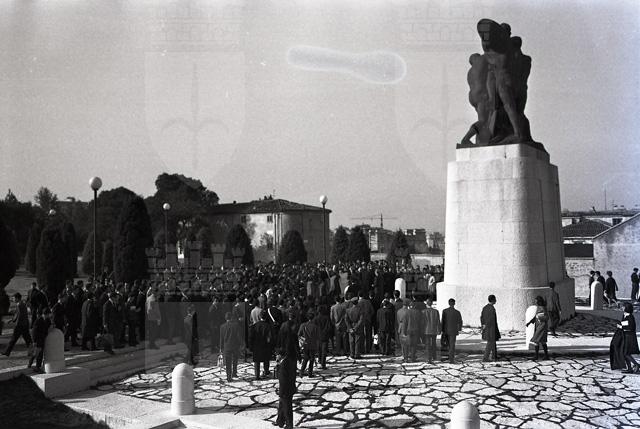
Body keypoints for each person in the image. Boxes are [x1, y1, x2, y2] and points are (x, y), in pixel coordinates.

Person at [275, 310, 299, 429]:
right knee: (284, 400)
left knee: (285, 400)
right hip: (289, 381)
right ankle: (280, 420)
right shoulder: (291, 358)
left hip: (286, 385)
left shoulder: (283, 361)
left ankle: (288, 424)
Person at [611, 302, 640, 374]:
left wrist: (621, 327)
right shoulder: (625, 315)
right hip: (625, 336)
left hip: (629, 337)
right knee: (625, 353)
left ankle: (636, 364)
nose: (622, 308)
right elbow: (624, 324)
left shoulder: (630, 317)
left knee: (626, 353)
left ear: (627, 308)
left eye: (623, 307)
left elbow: (630, 327)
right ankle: (629, 368)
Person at [249, 310, 272, 379]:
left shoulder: (254, 326)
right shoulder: (268, 326)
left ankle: (257, 375)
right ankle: (266, 371)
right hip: (265, 345)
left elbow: (251, 337)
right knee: (266, 360)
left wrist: (251, 346)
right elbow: (269, 337)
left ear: (259, 317)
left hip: (256, 345)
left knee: (257, 361)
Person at [220, 311, 243, 381]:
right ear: (231, 317)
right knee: (235, 360)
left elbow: (221, 338)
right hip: (235, 345)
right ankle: (234, 373)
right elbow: (238, 336)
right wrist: (241, 344)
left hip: (227, 346)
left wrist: (221, 348)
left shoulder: (222, 327)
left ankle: (228, 377)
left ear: (225, 318)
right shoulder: (236, 325)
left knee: (228, 362)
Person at [298, 311, 320, 377]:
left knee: (305, 358)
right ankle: (310, 373)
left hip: (305, 344)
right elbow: (318, 336)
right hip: (313, 344)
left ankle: (301, 371)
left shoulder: (303, 325)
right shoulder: (315, 326)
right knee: (312, 359)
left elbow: (299, 334)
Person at [28, 307, 51, 372]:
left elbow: (48, 326)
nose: (48, 316)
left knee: (39, 353)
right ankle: (33, 365)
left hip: (42, 338)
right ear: (44, 314)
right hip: (38, 339)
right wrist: (34, 341)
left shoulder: (47, 320)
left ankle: (36, 366)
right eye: (48, 314)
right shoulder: (38, 321)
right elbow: (34, 332)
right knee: (37, 353)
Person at [526, 296, 549, 361]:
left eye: (536, 301)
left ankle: (537, 356)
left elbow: (547, 317)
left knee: (537, 340)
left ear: (539, 301)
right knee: (542, 341)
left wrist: (539, 317)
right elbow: (535, 317)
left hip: (542, 327)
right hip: (538, 326)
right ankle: (545, 355)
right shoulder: (538, 307)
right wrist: (530, 322)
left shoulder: (543, 308)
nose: (535, 302)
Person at [441, 298, 462, 363]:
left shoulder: (445, 311)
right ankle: (451, 358)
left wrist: (442, 330)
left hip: (446, 330)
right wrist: (459, 329)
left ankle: (447, 357)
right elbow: (460, 321)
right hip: (453, 330)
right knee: (452, 345)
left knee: (447, 345)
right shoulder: (457, 312)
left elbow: (443, 321)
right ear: (454, 303)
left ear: (448, 303)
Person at [480, 295, 500, 362]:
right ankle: (485, 358)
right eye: (495, 299)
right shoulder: (491, 308)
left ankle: (494, 356)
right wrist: (487, 325)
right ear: (493, 300)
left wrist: (483, 325)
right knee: (490, 343)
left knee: (493, 342)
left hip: (487, 328)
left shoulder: (485, 307)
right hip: (491, 328)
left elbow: (481, 317)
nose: (496, 300)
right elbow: (490, 319)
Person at [422, 298, 440, 364]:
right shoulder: (436, 311)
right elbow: (438, 321)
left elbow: (422, 322)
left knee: (428, 344)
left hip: (426, 330)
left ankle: (428, 358)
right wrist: (439, 330)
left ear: (426, 303)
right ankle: (434, 356)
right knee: (434, 343)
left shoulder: (423, 311)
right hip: (434, 329)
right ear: (432, 303)